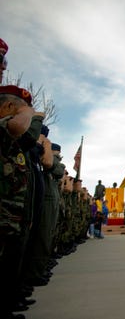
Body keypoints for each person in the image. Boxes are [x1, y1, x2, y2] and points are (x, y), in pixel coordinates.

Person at [0, 85, 41, 319]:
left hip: (11, 214)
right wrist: (29, 112)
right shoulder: (7, 128)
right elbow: (17, 128)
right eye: (19, 110)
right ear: (8, 107)